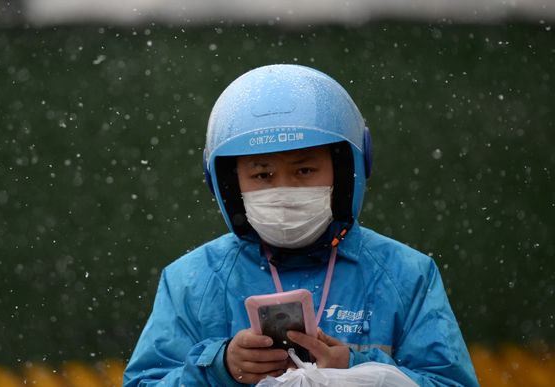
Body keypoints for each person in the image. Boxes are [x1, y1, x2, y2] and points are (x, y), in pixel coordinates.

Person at [123, 64, 479, 386]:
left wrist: (359, 369)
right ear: (230, 185)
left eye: (304, 170)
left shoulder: (406, 275)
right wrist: (219, 369)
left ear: (345, 172)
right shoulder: (192, 282)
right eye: (262, 174)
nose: (283, 190)